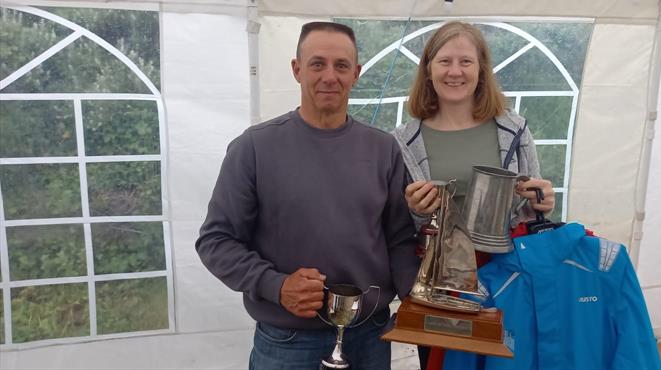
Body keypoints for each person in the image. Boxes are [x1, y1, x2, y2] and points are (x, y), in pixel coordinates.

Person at [196, 21, 419, 370]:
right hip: (287, 343)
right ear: (297, 70)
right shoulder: (254, 148)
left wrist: (420, 303)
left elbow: (401, 240)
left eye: (341, 65)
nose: (330, 76)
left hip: (370, 339)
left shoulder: (383, 149)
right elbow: (216, 241)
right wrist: (276, 285)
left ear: (356, 73)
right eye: (317, 64)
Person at [392, 21, 556, 370]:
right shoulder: (403, 140)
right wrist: (416, 211)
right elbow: (395, 224)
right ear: (428, 69)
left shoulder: (514, 129)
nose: (455, 72)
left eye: (466, 62)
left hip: (505, 275)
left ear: (482, 70)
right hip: (439, 286)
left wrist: (542, 200)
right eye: (445, 61)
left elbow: (531, 202)